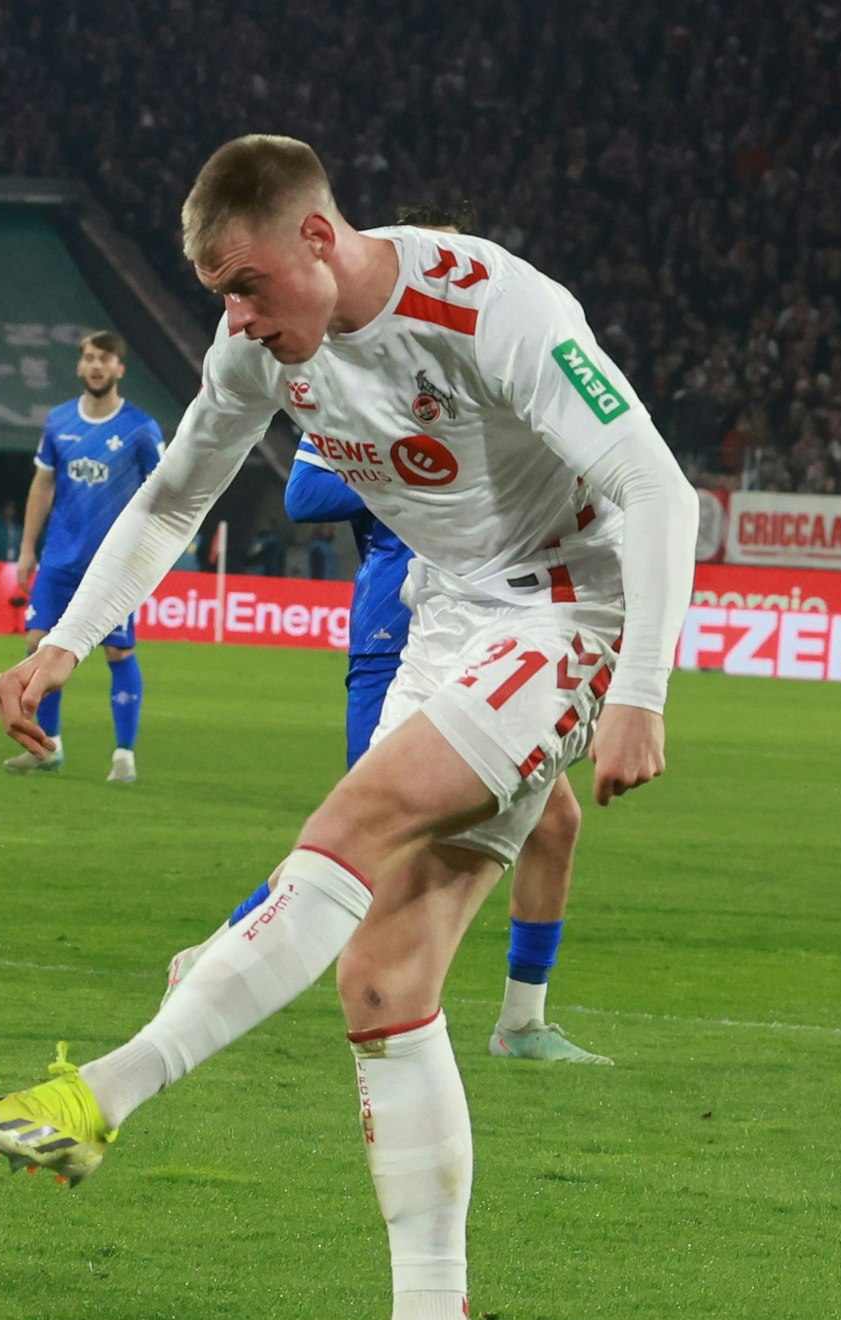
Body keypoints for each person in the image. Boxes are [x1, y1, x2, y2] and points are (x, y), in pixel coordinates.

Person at [0, 135, 695, 1320]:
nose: (233, 319)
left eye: (245, 285)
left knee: (352, 820)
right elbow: (171, 503)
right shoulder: (254, 354)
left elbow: (651, 483)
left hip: (570, 612)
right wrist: (60, 644)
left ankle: (102, 1095)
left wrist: (636, 690)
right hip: (448, 619)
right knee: (382, 980)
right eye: (215, 297)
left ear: (316, 238)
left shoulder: (483, 301)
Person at [243, 203, 608, 1065]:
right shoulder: (342, 366)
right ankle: (225, 961)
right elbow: (302, 495)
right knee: (365, 835)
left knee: (551, 824)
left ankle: (522, 1020)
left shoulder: (479, 358)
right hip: (400, 623)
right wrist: (412, 467)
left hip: (496, 620)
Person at [7, 331, 165, 784]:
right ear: (80, 367)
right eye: (90, 358)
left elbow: (164, 494)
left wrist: (149, 556)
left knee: (118, 650)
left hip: (111, 565)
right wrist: (26, 550)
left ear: (120, 369)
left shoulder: (140, 429)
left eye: (106, 359)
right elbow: (42, 486)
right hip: (58, 560)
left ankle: (123, 755)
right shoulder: (59, 422)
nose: (97, 366)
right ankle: (48, 748)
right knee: (39, 646)